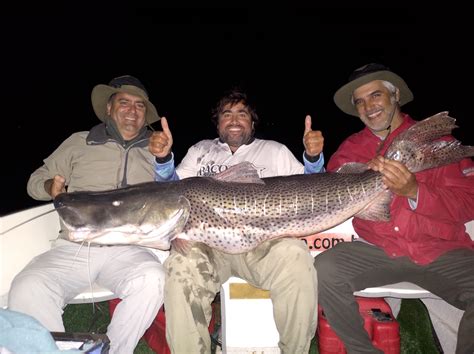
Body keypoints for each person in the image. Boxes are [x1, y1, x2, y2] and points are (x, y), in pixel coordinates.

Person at [149, 88, 325, 353]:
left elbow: (312, 188)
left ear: (252, 123)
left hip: (264, 244)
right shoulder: (200, 150)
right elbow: (172, 195)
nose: (234, 120)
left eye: (242, 114)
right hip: (207, 247)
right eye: (226, 114)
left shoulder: (274, 151)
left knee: (297, 258)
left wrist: (313, 158)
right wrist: (163, 161)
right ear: (217, 122)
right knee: (179, 269)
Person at [314, 63, 474, 354]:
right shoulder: (349, 151)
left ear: (395, 94)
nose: (368, 106)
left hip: (440, 249)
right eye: (360, 101)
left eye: (375, 95)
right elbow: (330, 197)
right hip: (380, 250)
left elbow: (468, 202)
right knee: (325, 268)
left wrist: (415, 192)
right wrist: (353, 174)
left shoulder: (435, 138)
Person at [8, 75, 166, 354]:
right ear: (109, 107)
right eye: (124, 102)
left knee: (152, 279)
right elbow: (34, 182)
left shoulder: (156, 150)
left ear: (145, 113)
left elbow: (171, 193)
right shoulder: (80, 142)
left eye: (139, 105)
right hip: (76, 246)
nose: (132, 110)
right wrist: (50, 187)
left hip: (129, 249)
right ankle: (51, 349)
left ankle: (112, 350)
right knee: (28, 285)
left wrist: (165, 158)